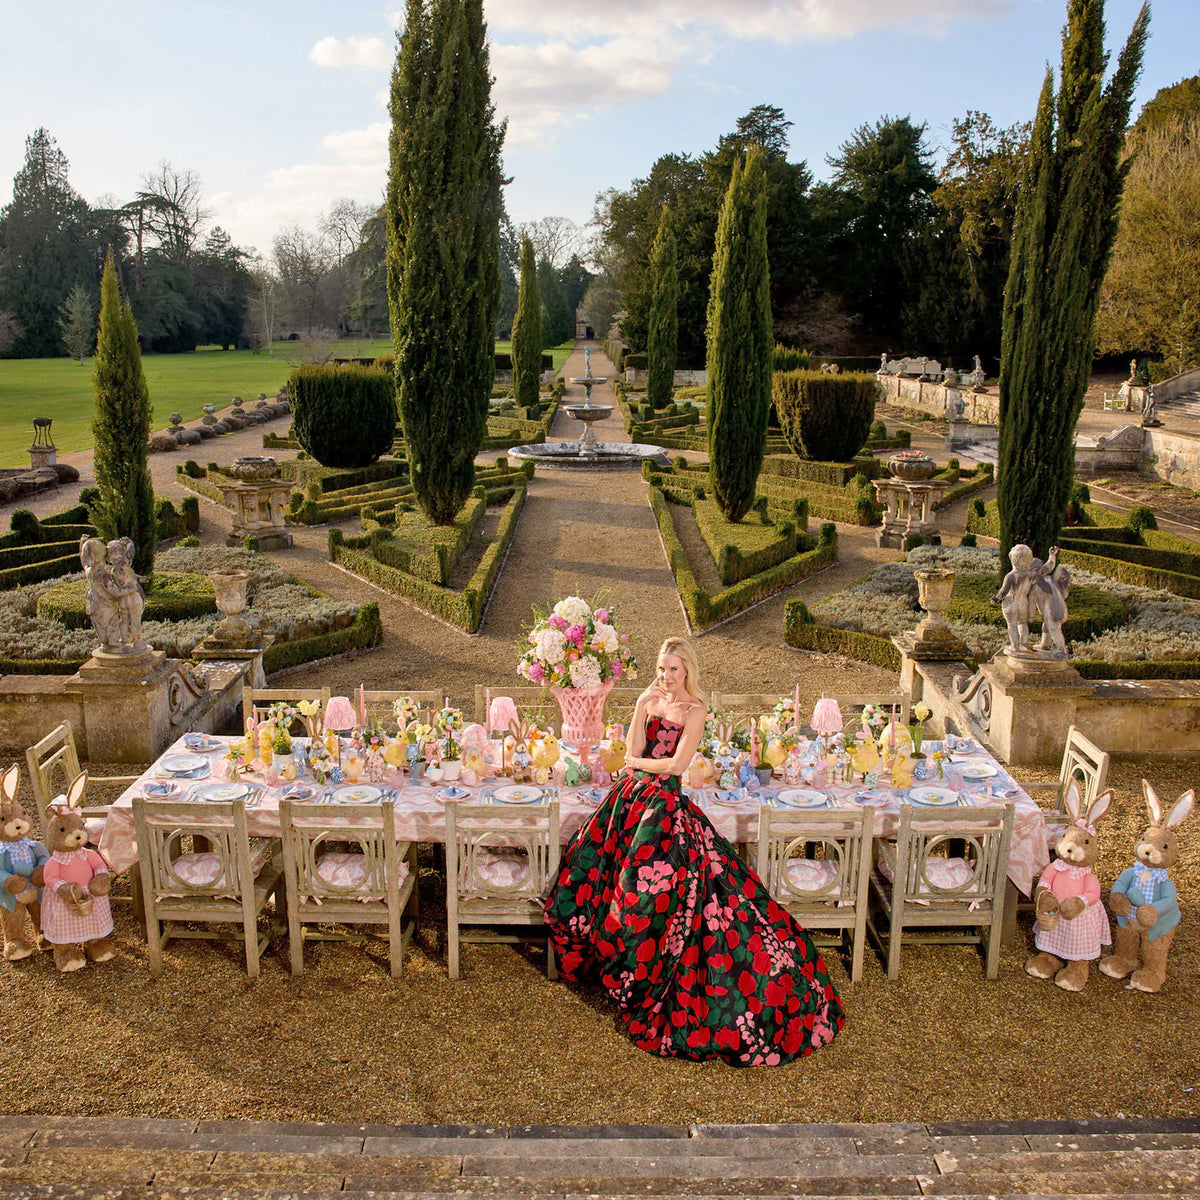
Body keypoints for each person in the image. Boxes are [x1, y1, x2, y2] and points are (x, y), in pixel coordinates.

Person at [544, 636, 845, 1065]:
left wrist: (637, 764)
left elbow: (676, 766)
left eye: (673, 670)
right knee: (594, 869)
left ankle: (649, 972)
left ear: (688, 671)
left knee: (653, 891)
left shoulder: (695, 710)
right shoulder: (649, 701)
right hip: (630, 798)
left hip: (664, 803)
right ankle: (611, 964)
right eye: (661, 668)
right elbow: (632, 749)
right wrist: (638, 711)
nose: (666, 677)